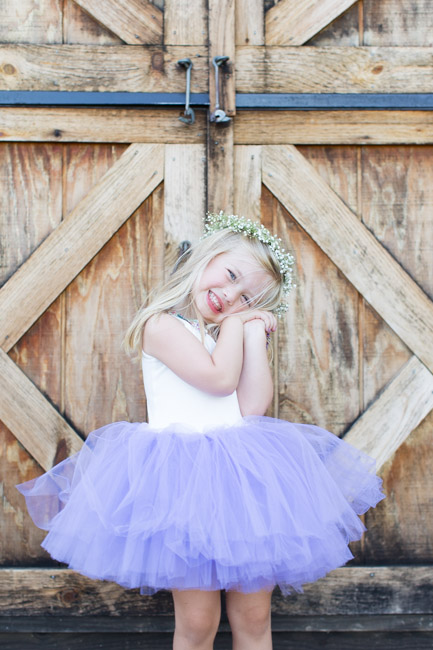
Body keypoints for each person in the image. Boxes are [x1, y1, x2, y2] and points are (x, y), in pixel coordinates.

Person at [16, 212, 385, 650]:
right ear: (208, 258)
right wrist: (237, 324)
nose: (229, 296)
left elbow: (250, 405)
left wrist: (252, 339)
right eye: (229, 276)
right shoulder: (161, 325)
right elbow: (218, 380)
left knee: (255, 617)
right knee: (197, 622)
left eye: (246, 298)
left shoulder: (225, 333)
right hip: (181, 487)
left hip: (245, 487)